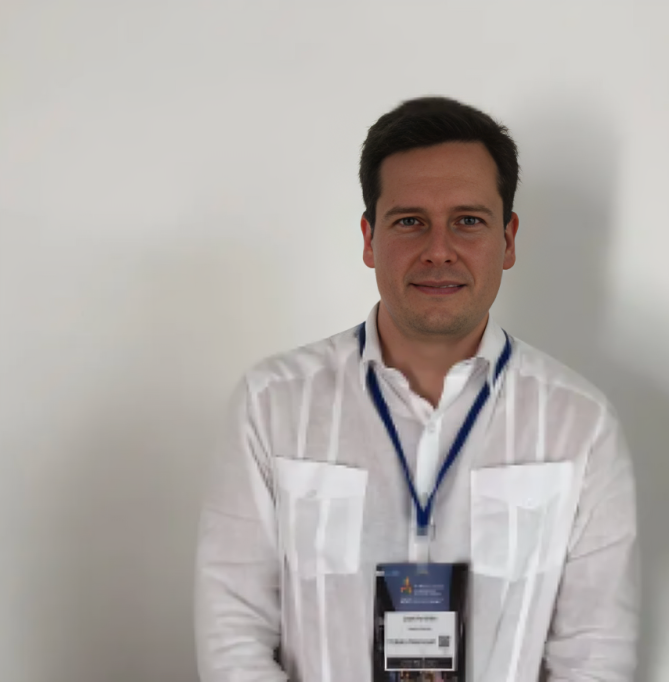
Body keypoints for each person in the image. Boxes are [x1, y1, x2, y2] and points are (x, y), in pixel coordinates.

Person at [194, 96, 639, 682]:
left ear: (508, 240)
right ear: (369, 238)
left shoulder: (580, 426)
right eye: (410, 221)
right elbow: (234, 633)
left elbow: (596, 654)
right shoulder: (272, 406)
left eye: (468, 221)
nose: (438, 250)